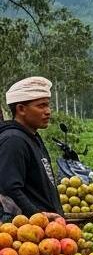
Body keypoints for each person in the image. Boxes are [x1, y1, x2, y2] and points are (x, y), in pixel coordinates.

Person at [0, 76, 62, 218]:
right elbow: (9, 188)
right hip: (30, 231)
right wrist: (37, 216)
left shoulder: (31, 137)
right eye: (41, 106)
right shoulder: (14, 140)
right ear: (21, 109)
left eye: (48, 105)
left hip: (44, 228)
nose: (48, 111)